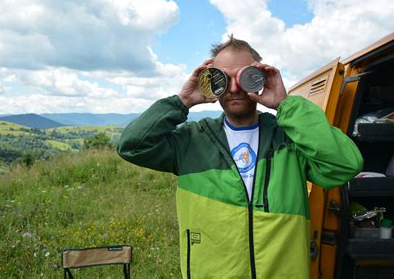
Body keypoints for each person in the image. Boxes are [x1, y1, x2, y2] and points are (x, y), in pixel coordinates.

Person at [117, 35, 363, 278]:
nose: (234, 88)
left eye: (245, 78)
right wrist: (182, 102)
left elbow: (345, 164)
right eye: (223, 79)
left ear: (261, 78)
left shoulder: (288, 137)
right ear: (212, 82)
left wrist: (285, 104)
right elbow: (131, 146)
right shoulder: (192, 140)